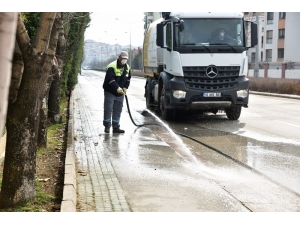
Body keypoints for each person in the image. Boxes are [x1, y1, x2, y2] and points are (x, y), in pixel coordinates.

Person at [102, 51, 131, 133]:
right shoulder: (111, 66)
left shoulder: (127, 68)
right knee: (108, 109)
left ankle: (116, 127)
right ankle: (107, 127)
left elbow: (128, 78)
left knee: (118, 110)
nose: (124, 60)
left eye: (126, 59)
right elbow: (110, 79)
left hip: (120, 93)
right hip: (110, 91)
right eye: (123, 58)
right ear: (119, 57)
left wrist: (125, 87)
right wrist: (117, 88)